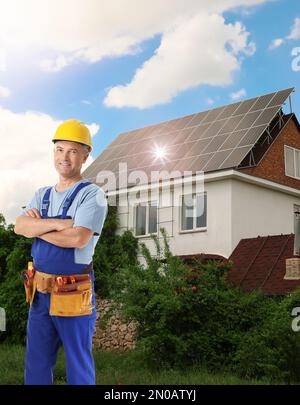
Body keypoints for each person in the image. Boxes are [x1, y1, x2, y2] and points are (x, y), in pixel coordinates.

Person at [14, 119, 108, 385]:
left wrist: (37, 227)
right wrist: (56, 224)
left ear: (85, 156)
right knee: (36, 365)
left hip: (73, 291)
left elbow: (77, 238)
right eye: (59, 149)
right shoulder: (41, 194)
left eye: (73, 151)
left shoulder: (92, 195)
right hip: (39, 292)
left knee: (78, 365)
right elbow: (20, 226)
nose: (64, 157)